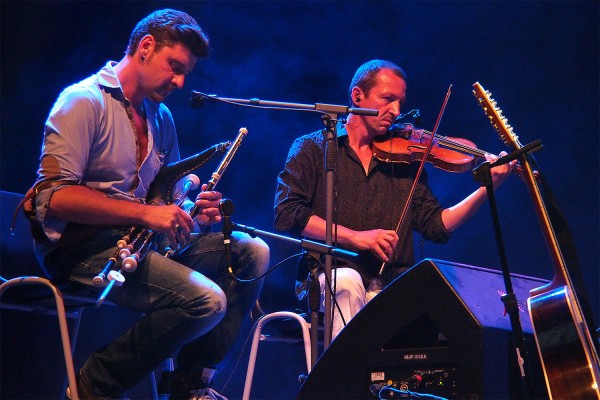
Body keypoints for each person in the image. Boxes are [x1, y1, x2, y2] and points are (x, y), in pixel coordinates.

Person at [24, 9, 269, 400]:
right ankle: (91, 387)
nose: (180, 81)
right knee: (207, 301)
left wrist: (192, 212)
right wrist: (146, 213)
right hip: (80, 252)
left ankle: (191, 386)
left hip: (139, 249)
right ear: (145, 47)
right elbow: (53, 197)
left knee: (250, 252)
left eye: (185, 71)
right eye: (174, 67)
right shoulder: (82, 102)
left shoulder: (161, 117)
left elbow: (163, 197)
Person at [274, 59, 515, 340]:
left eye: (401, 102)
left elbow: (437, 224)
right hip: (330, 278)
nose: (397, 111)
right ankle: (347, 381)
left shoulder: (405, 157)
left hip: (392, 283)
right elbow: (288, 213)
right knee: (348, 283)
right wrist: (357, 238)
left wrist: (489, 187)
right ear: (357, 96)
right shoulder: (314, 147)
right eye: (387, 99)